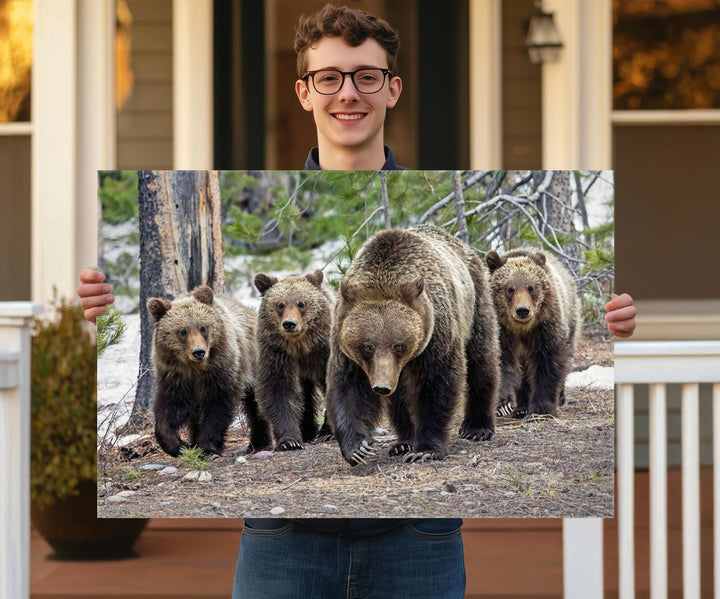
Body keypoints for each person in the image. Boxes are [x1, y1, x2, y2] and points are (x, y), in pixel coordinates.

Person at [78, 5, 637, 598]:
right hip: (281, 544)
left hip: (418, 541)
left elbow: (450, 370)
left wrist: (635, 342)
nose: (348, 93)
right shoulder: (340, 303)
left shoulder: (434, 289)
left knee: (461, 369)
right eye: (329, 78)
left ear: (394, 89)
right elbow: (344, 381)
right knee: (362, 384)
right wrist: (84, 321)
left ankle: (443, 434)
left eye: (367, 76)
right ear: (303, 92)